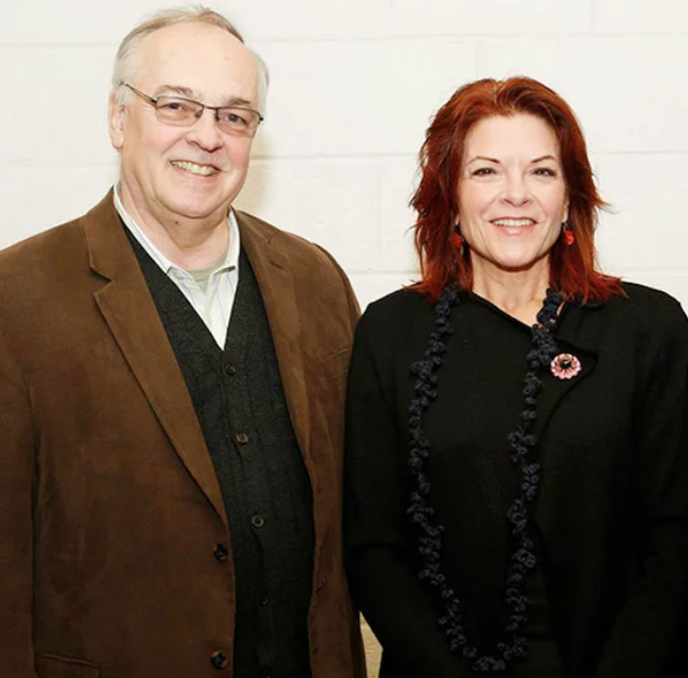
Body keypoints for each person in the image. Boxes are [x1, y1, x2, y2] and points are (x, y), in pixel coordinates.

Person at [0, 7, 364, 678]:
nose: (207, 137)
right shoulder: (16, 299)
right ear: (118, 118)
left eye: (234, 116)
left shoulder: (316, 282)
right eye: (176, 105)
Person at [344, 76, 688, 678]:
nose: (515, 195)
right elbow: (373, 546)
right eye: (485, 172)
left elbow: (676, 537)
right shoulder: (390, 332)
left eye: (541, 171)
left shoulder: (648, 328)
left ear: (570, 195)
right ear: (448, 195)